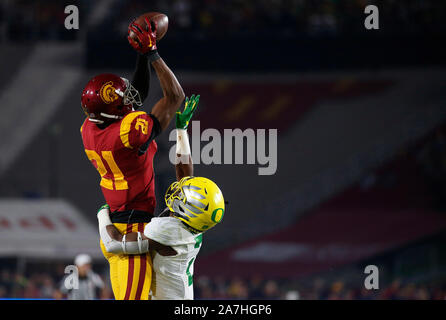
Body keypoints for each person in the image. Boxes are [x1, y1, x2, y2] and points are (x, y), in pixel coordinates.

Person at [80, 17, 185, 300]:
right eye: (123, 99)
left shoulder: (89, 128)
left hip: (117, 221)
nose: (130, 98)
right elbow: (175, 97)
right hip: (133, 231)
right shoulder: (128, 134)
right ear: (116, 113)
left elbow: (134, 98)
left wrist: (141, 55)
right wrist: (152, 54)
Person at [97, 98, 226, 299]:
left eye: (183, 197)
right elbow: (185, 175)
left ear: (189, 211)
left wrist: (103, 214)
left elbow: (114, 244)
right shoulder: (192, 223)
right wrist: (181, 131)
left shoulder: (168, 231)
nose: (178, 191)